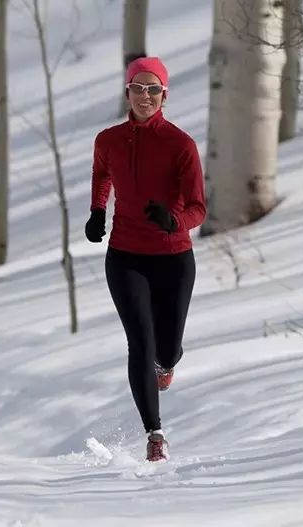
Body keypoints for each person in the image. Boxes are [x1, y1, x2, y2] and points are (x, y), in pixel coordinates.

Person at [85, 57, 206, 462]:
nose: (145, 96)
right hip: (126, 256)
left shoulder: (181, 145)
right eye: (138, 88)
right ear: (127, 92)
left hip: (173, 258)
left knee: (166, 348)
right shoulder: (109, 139)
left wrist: (174, 221)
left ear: (165, 96)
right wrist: (97, 211)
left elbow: (198, 208)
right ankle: (155, 434)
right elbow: (103, 174)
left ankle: (167, 363)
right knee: (140, 342)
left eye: (154, 89)